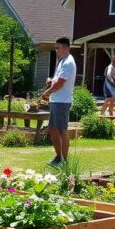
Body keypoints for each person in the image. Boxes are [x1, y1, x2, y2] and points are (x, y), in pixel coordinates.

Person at [40, 36, 76, 166]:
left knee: (62, 130)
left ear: (66, 47)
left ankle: (64, 160)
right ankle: (58, 157)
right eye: (55, 48)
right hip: (57, 100)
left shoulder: (68, 62)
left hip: (62, 101)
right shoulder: (62, 61)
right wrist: (50, 80)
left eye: (58, 47)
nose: (56, 50)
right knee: (53, 128)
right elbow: (57, 79)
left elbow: (61, 83)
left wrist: (47, 92)